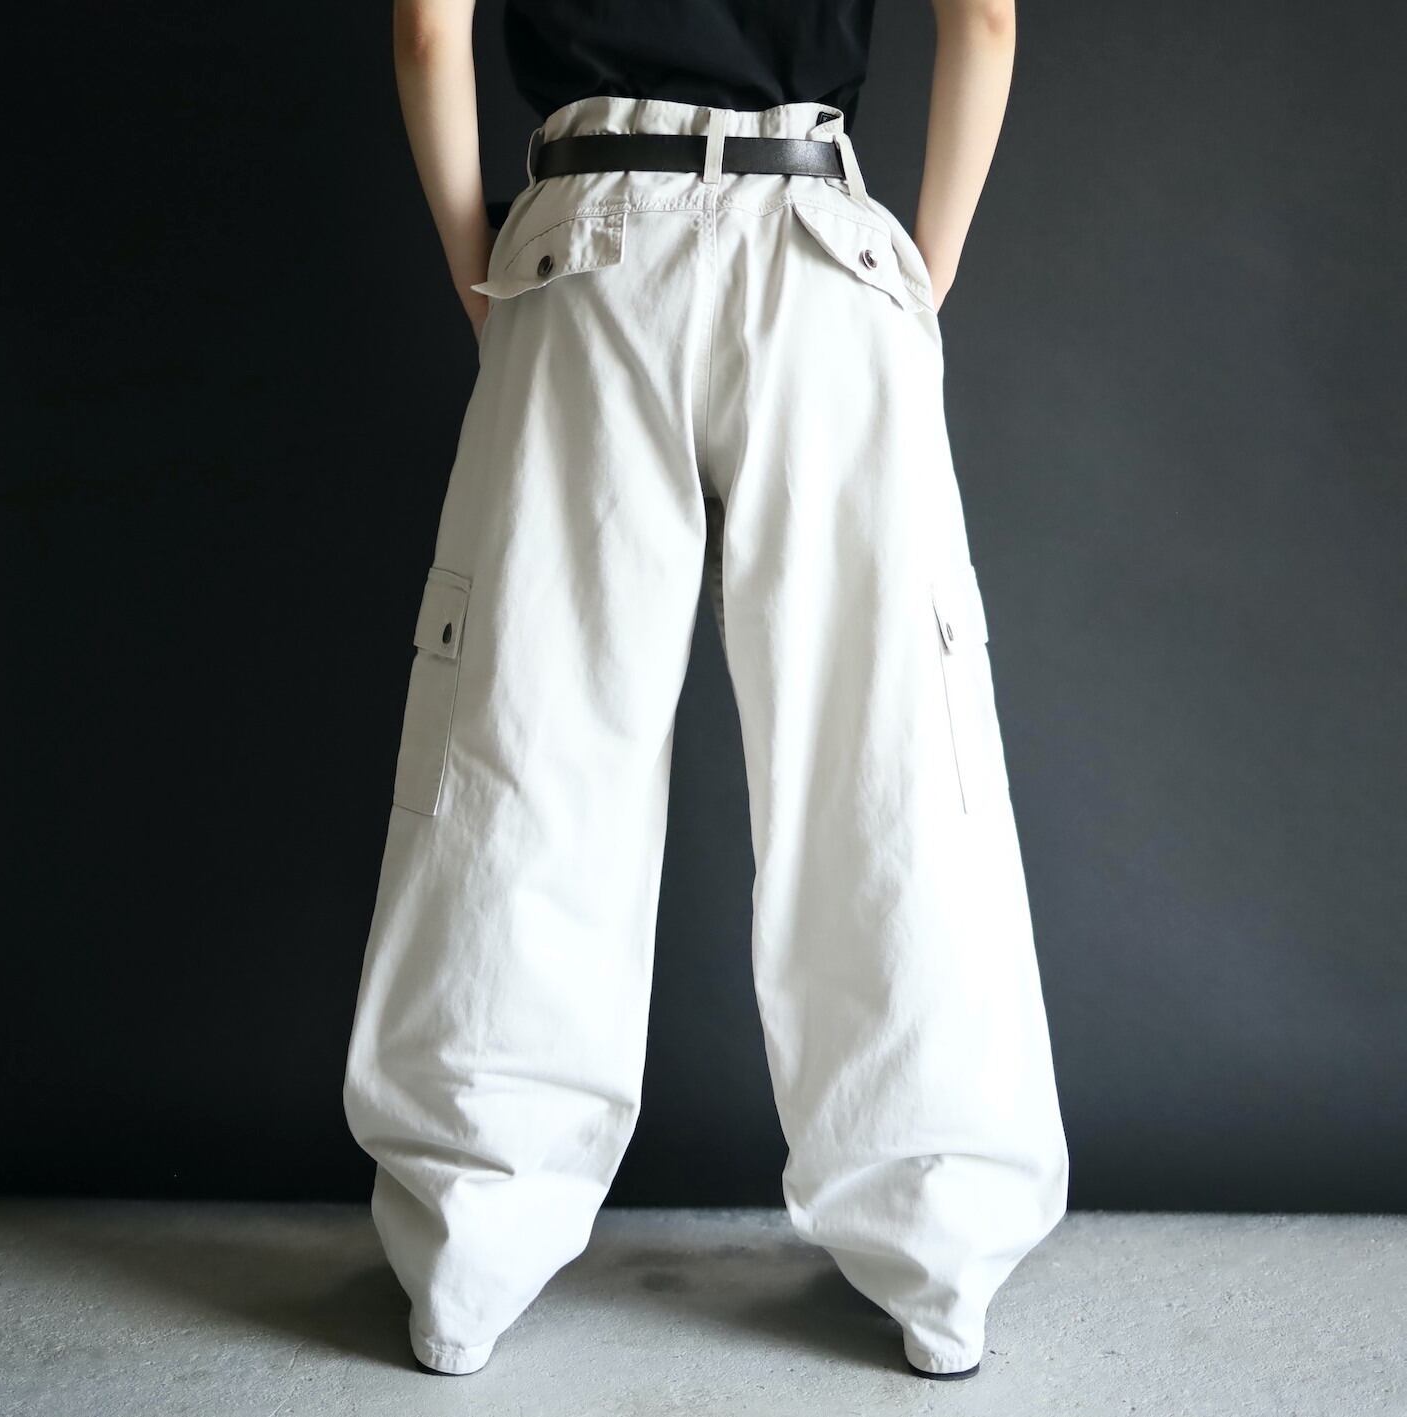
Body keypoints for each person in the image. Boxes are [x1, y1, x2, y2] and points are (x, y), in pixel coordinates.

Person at [343, 0, 1069, 1384]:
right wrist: (919, 283)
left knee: (525, 746)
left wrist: (480, 270)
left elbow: (429, 32)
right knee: (887, 761)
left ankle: (465, 1258)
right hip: (820, 243)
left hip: (585, 239)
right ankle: (942, 1266)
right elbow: (982, 17)